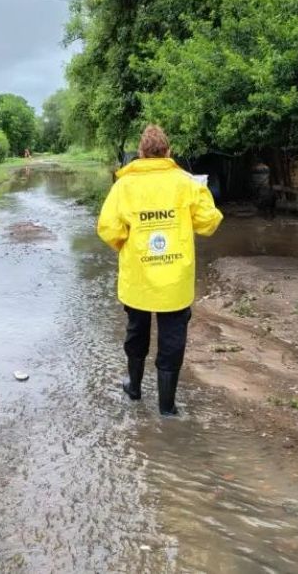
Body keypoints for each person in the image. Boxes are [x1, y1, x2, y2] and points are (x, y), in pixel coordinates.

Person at [97, 125, 223, 415]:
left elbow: (108, 229)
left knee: (136, 332)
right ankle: (167, 407)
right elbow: (208, 223)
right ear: (169, 151)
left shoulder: (124, 186)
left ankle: (135, 389)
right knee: (172, 338)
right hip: (175, 281)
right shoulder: (187, 182)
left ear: (140, 153)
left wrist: (127, 246)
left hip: (138, 278)